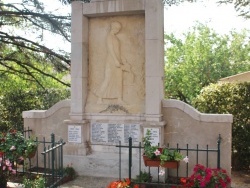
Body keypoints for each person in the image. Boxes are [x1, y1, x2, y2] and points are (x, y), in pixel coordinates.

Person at [97, 21, 126, 104]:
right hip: (111, 61)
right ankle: (99, 98)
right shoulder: (109, 37)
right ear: (113, 27)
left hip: (118, 62)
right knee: (107, 80)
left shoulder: (115, 38)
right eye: (117, 28)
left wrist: (121, 61)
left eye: (119, 29)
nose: (118, 30)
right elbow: (110, 50)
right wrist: (115, 60)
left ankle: (119, 99)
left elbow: (118, 51)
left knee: (119, 80)